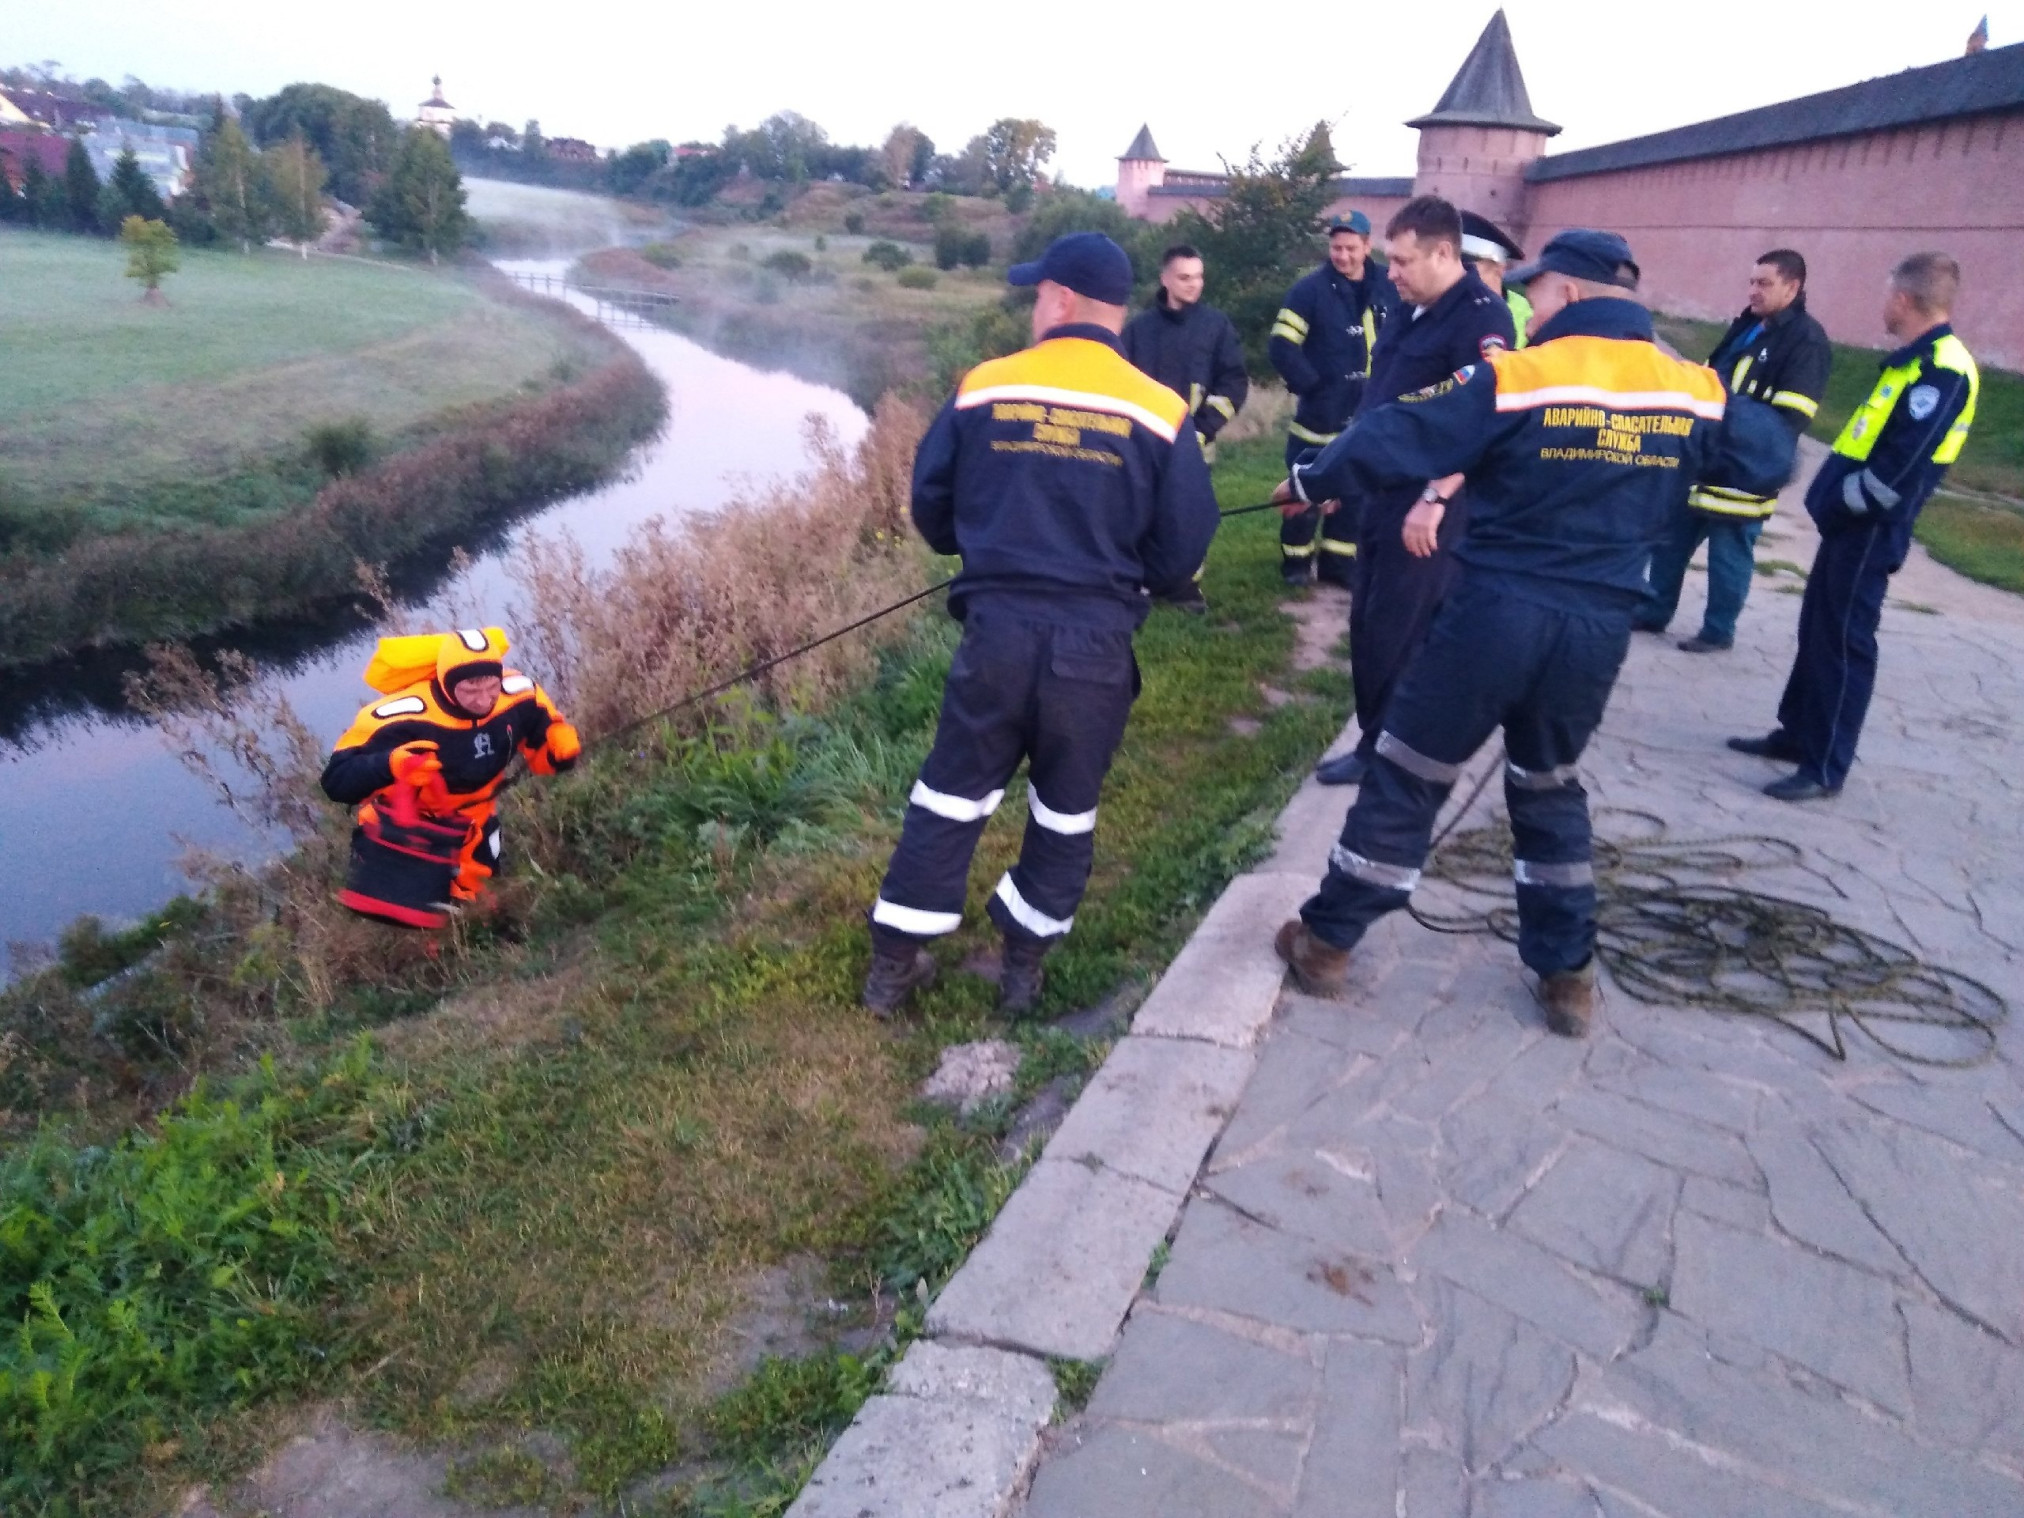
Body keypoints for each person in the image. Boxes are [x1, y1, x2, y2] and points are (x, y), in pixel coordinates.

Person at [1269, 230, 1793, 1035]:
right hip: (1599, 627)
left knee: (1409, 772)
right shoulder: (1691, 385)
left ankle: (1327, 942)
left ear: (1574, 293)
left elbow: (1397, 434)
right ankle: (1567, 977)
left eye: (1539, 290)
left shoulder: (1521, 375)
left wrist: (1309, 479)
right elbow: (1767, 458)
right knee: (1549, 787)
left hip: (1497, 612)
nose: (1529, 304)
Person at [863, 232, 1219, 1016]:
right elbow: (1184, 543)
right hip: (1094, 646)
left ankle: (894, 965)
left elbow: (931, 504)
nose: (1033, 308)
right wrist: (1143, 576)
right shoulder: (1160, 409)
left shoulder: (985, 385)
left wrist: (976, 546)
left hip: (996, 632)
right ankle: (1022, 968)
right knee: (1065, 806)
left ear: (1059, 299)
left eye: (1036, 295)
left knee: (951, 793)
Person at [1730, 251, 1979, 801]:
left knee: (1844, 640)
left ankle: (1824, 766)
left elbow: (1902, 466)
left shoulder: (1944, 367)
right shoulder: (1914, 360)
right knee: (1818, 627)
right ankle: (1797, 735)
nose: (1883, 304)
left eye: (1887, 294)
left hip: (1870, 528)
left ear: (1904, 299)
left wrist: (1841, 502)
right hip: (1850, 525)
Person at [1286, 196, 1516, 787]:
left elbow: (1487, 416)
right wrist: (1340, 476)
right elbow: (1381, 405)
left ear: (1445, 252)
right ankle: (1377, 740)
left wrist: (1435, 499)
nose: (1392, 273)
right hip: (1382, 489)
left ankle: (1388, 755)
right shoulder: (1411, 307)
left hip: (1426, 505)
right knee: (1368, 619)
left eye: (1404, 261)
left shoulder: (1482, 318)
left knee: (1398, 630)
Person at [1635, 249, 1831, 652]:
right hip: (1707, 457)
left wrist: (1740, 432)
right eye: (1751, 282)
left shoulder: (1805, 339)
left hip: (1748, 466)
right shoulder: (1748, 326)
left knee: (1729, 552)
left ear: (1792, 287)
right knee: (1672, 539)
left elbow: (1794, 415)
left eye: (1764, 283)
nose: (1753, 291)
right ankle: (1654, 611)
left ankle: (1718, 630)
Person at [322, 627, 581, 927]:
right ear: (447, 684)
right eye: (470, 689)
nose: (484, 699)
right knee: (414, 913)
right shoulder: (399, 718)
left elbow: (544, 731)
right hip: (412, 829)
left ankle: (477, 933)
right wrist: (391, 765)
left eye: (491, 687)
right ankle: (429, 951)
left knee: (479, 889)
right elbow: (337, 780)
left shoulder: (519, 695)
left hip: (477, 820)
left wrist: (559, 747)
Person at [1270, 211, 1399, 587]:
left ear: (1367, 246)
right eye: (1335, 247)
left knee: (1354, 496)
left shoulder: (1389, 287)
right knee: (1304, 490)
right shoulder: (1308, 290)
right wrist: (1313, 384)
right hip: (1318, 415)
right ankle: (1296, 563)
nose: (1342, 256)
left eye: (1350, 248)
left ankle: (1338, 564)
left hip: (1369, 413)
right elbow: (1281, 344)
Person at [1122, 242, 1249, 612]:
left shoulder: (1216, 326)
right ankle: (1137, 584)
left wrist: (1203, 427)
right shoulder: (1138, 330)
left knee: (1187, 518)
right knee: (1138, 516)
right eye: (1184, 277)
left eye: (1199, 277)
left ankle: (1185, 589)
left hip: (1195, 444)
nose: (1194, 285)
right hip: (1143, 447)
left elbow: (1233, 382)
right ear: (1165, 279)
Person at [1460, 209, 1533, 349]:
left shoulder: (1529, 319)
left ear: (1499, 266)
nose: (1454, 273)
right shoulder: (1427, 308)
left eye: (1465, 264)